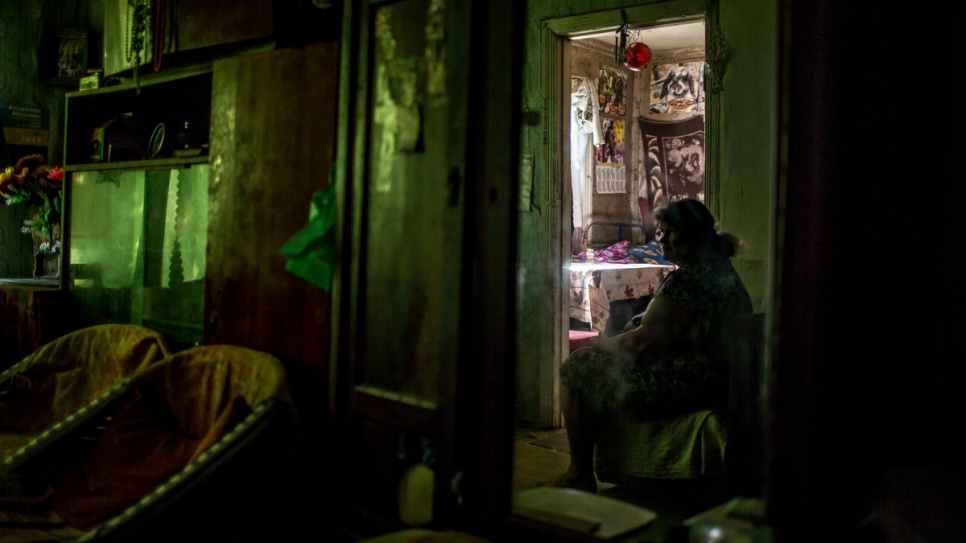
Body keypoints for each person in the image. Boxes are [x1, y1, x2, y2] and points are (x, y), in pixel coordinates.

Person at [551, 198, 753, 492]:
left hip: (686, 383)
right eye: (661, 232)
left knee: (578, 367)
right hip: (714, 380)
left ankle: (579, 472)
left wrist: (602, 345)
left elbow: (642, 343)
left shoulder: (691, 280)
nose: (661, 239)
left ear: (694, 235)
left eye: (670, 231)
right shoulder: (722, 272)